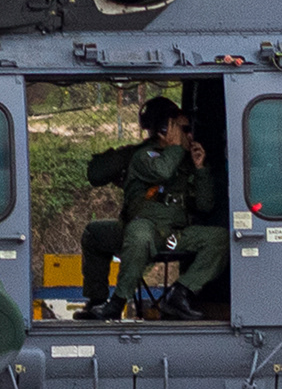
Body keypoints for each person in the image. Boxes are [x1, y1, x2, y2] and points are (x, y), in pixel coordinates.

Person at [78, 98, 228, 320]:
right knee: (134, 235)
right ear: (167, 130)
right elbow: (162, 173)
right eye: (183, 129)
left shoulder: (187, 161)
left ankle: (180, 293)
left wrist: (200, 169)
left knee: (220, 238)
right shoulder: (145, 156)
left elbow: (205, 206)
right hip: (142, 228)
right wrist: (176, 148)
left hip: (173, 235)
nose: (189, 135)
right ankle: (113, 302)